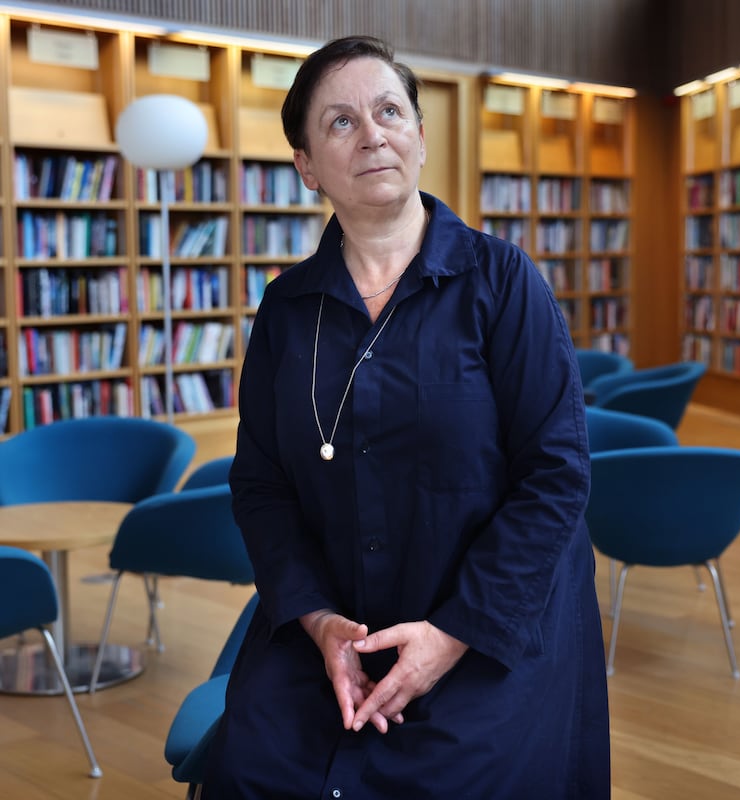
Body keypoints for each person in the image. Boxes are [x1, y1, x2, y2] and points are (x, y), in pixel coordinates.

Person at [203, 35, 610, 799]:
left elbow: (556, 474)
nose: (373, 134)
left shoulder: (503, 281)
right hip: (335, 636)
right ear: (306, 167)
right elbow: (260, 486)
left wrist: (452, 635)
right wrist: (320, 623)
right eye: (340, 123)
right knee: (251, 768)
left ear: (420, 135)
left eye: (390, 111)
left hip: (490, 631)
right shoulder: (287, 310)